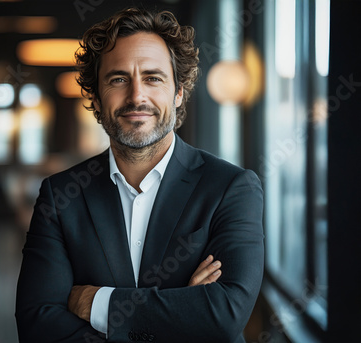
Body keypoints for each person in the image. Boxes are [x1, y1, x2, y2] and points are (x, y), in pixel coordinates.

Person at [16, 7, 264, 343]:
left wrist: (96, 302)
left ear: (178, 93)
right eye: (118, 79)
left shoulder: (231, 188)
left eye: (153, 78)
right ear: (96, 98)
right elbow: (37, 326)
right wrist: (183, 313)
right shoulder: (61, 195)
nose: (136, 96)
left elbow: (224, 314)